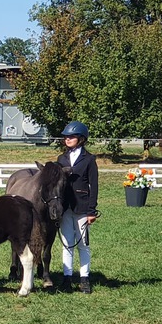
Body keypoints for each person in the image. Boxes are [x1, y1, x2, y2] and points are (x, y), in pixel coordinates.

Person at [57, 121, 99, 294]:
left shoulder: (89, 160)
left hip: (82, 207)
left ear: (81, 139)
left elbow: (94, 186)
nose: (68, 139)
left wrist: (91, 210)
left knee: (83, 244)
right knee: (67, 243)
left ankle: (84, 278)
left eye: (72, 136)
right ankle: (67, 277)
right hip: (65, 207)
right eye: (66, 136)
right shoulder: (61, 159)